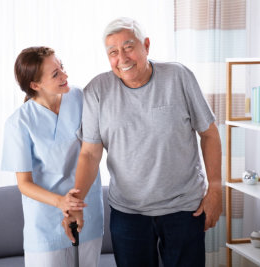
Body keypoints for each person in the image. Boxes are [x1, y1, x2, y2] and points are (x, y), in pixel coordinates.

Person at [63, 17, 222, 267]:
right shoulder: (97, 90)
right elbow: (90, 154)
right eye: (113, 52)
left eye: (128, 47)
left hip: (184, 208)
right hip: (128, 213)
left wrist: (215, 188)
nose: (122, 58)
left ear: (146, 45)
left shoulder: (178, 76)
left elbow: (210, 134)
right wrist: (77, 202)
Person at [1, 46, 103, 267]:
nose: (65, 76)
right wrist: (61, 203)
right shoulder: (19, 123)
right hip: (45, 222)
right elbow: (24, 184)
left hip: (87, 212)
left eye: (62, 67)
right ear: (35, 85)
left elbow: (94, 149)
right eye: (55, 74)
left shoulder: (80, 98)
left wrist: (74, 205)